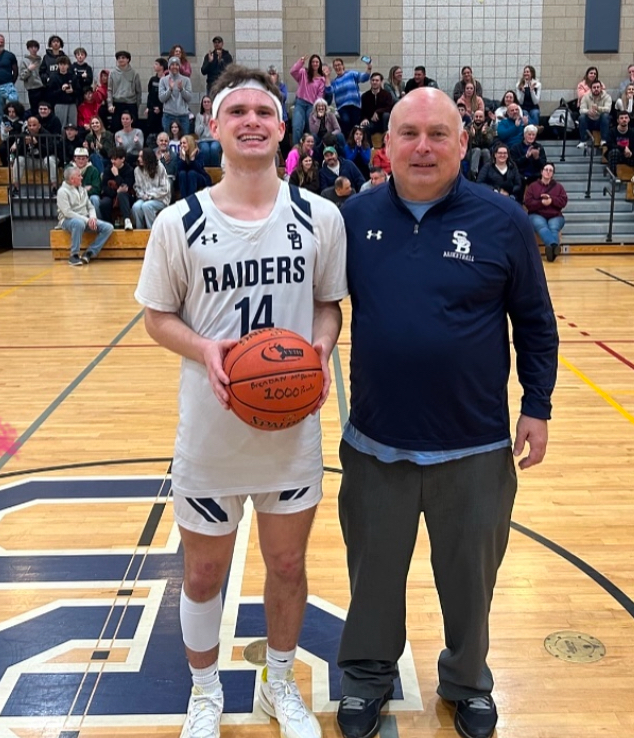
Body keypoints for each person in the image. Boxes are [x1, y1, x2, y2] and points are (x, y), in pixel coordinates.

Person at [336, 85, 558, 738]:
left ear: (464, 143)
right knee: (372, 578)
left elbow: (535, 325)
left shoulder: (503, 221)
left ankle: (467, 683)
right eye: (409, 134)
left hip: (475, 446)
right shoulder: (352, 220)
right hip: (376, 443)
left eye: (438, 133)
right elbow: (318, 305)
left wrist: (536, 406)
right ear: (386, 147)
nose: (423, 146)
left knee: (469, 582)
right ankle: (366, 680)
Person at [134, 64, 348, 738]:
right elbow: (156, 317)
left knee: (286, 565)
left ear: (282, 126)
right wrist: (206, 351)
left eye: (264, 111)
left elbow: (326, 304)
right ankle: (204, 693)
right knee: (201, 573)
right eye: (238, 113)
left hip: (290, 431)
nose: (252, 121)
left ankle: (277, 684)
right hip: (210, 433)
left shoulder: (320, 217)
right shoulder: (179, 221)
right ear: (214, 124)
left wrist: (320, 346)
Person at [57, 164, 114, 266]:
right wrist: (86, 220)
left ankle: (89, 252)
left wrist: (92, 218)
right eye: (79, 176)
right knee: (78, 223)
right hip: (68, 220)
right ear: (72, 179)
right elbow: (67, 212)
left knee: (108, 227)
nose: (82, 177)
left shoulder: (82, 189)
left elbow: (90, 207)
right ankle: (73, 255)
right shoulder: (62, 192)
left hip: (85, 219)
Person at [524, 162, 568, 262]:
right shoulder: (533, 186)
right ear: (541, 172)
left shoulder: (559, 187)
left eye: (550, 170)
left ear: (553, 173)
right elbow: (528, 203)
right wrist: (541, 203)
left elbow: (563, 202)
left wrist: (551, 200)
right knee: (541, 225)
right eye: (546, 170)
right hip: (536, 214)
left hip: (555, 215)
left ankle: (551, 251)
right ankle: (553, 246)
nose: (548, 172)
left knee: (554, 227)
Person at [324, 57, 372, 138]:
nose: (337, 67)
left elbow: (364, 78)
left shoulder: (351, 74)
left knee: (355, 125)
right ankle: (349, 142)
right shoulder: (334, 82)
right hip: (342, 107)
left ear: (343, 66)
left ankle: (356, 142)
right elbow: (329, 91)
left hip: (355, 105)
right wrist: (327, 77)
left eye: (339, 65)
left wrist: (369, 68)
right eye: (335, 66)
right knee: (346, 122)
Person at [10, 115, 58, 195]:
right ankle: (16, 187)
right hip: (30, 161)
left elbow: (50, 151)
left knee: (50, 160)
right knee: (19, 160)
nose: (31, 127)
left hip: (43, 161)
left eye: (34, 125)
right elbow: (19, 153)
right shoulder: (24, 134)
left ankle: (54, 187)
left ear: (39, 126)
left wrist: (36, 144)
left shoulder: (46, 134)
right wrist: (24, 145)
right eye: (29, 125)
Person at [290, 54, 328, 147]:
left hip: (312, 106)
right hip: (300, 103)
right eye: (313, 62)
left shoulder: (321, 79)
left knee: (311, 129)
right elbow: (293, 71)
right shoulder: (303, 72)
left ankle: (310, 151)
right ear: (310, 63)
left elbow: (320, 96)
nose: (315, 63)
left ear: (319, 64)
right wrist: (301, 61)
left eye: (317, 62)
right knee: (297, 127)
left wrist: (318, 109)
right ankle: (296, 150)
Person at [131, 147, 171, 228]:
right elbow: (137, 187)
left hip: (161, 199)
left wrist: (150, 195)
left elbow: (165, 189)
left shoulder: (160, 167)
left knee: (147, 206)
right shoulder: (137, 170)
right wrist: (143, 195)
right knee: (136, 207)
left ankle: (152, 231)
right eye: (139, 156)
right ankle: (140, 231)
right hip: (144, 198)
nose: (139, 159)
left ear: (148, 158)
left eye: (141, 157)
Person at [98, 146, 135, 229]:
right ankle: (109, 225)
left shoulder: (129, 170)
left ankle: (127, 220)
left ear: (122, 159)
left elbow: (126, 187)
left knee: (122, 194)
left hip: (127, 196)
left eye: (115, 159)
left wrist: (117, 175)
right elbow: (104, 186)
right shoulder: (108, 169)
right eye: (111, 159)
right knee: (104, 203)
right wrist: (115, 193)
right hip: (111, 195)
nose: (112, 161)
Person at [107, 51, 142, 132]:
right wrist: (110, 104)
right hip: (117, 103)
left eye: (123, 58)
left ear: (128, 59)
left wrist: (137, 105)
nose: (120, 60)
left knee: (133, 127)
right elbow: (109, 90)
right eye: (119, 58)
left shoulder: (134, 73)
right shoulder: (112, 73)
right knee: (116, 127)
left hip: (131, 103)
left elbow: (138, 91)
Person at [510, 124, 546, 197]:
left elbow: (543, 165)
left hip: (535, 176)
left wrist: (537, 158)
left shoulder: (539, 147)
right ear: (524, 135)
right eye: (529, 134)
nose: (531, 137)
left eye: (533, 135)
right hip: (520, 175)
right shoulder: (515, 147)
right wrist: (526, 156)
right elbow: (513, 164)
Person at [160, 56, 193, 134]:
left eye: (177, 65)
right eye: (172, 64)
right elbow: (161, 98)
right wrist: (170, 89)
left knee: (184, 141)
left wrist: (181, 89)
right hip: (168, 115)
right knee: (168, 140)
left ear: (179, 66)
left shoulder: (186, 80)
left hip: (183, 116)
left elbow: (189, 98)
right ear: (169, 67)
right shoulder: (163, 80)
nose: (175, 67)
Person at [578, 80, 611, 147]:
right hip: (589, 120)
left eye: (598, 87)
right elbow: (581, 110)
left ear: (601, 88)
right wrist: (588, 111)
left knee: (605, 116)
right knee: (582, 117)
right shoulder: (585, 97)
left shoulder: (607, 97)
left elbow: (608, 110)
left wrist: (598, 108)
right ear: (591, 89)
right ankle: (583, 141)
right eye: (594, 87)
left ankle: (604, 140)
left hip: (600, 121)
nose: (596, 89)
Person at [47, 55, 78, 127]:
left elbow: (79, 91)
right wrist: (61, 90)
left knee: (73, 125)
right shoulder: (54, 77)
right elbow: (49, 93)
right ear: (58, 65)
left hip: (72, 104)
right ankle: (61, 138)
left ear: (68, 65)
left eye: (65, 64)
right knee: (61, 125)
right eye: (61, 64)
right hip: (59, 103)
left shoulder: (73, 77)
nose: (63, 66)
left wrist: (72, 91)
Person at [605, 110, 634, 175]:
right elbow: (610, 145)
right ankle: (613, 176)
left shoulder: (633, 133)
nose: (624, 120)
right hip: (616, 155)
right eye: (621, 118)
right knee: (614, 152)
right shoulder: (612, 131)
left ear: (629, 119)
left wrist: (631, 153)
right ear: (618, 120)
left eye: (626, 118)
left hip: (628, 156)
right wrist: (623, 149)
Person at [359, 72, 393, 138]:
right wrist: (365, 119)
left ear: (381, 82)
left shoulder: (387, 94)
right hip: (372, 122)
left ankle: (387, 144)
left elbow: (389, 108)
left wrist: (378, 111)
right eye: (373, 80)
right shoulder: (365, 96)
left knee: (386, 115)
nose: (374, 82)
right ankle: (370, 147)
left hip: (384, 122)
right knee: (364, 127)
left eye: (377, 80)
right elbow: (363, 111)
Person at [71, 146, 101, 212]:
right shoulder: (69, 169)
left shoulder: (93, 170)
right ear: (74, 158)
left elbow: (97, 189)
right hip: (74, 196)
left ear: (87, 159)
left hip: (89, 196)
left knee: (95, 198)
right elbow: (68, 187)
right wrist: (85, 189)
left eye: (83, 159)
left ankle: (98, 220)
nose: (81, 161)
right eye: (78, 158)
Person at [195, 95, 221, 166]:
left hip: (215, 139)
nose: (206, 104)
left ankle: (216, 171)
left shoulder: (216, 115)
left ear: (211, 104)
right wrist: (203, 123)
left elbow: (219, 129)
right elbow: (197, 132)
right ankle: (206, 170)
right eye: (205, 102)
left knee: (214, 149)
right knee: (205, 149)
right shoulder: (199, 116)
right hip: (203, 140)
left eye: (208, 102)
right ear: (202, 104)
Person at [19, 39, 44, 115]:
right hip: (32, 89)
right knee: (35, 110)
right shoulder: (25, 61)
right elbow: (22, 76)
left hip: (43, 88)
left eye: (35, 47)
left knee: (44, 108)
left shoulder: (41, 60)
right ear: (28, 49)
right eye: (31, 47)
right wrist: (29, 69)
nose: (33, 49)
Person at [146, 58, 168, 138]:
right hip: (152, 109)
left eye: (156, 64)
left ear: (162, 66)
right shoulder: (153, 79)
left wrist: (160, 108)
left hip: (163, 111)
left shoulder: (167, 80)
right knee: (151, 131)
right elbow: (150, 95)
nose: (154, 66)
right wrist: (148, 107)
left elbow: (167, 96)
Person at [0, 34, 19, 111]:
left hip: (8, 85)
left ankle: (17, 122)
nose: (0, 43)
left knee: (15, 103)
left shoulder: (10, 55)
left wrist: (11, 82)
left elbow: (15, 71)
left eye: (2, 41)